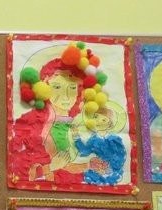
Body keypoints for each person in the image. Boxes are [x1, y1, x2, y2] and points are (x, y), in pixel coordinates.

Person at [10, 47, 109, 186]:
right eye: (57, 87)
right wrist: (50, 167)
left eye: (72, 88)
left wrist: (88, 165)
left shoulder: (77, 123)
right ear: (44, 86)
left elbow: (66, 164)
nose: (66, 96)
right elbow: (17, 169)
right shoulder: (31, 122)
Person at [73, 104, 126, 186]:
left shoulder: (115, 139)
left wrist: (110, 167)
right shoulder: (93, 139)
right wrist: (76, 137)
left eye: (103, 120)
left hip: (112, 170)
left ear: (110, 124)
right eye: (96, 117)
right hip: (97, 170)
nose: (98, 122)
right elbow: (85, 151)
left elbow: (120, 155)